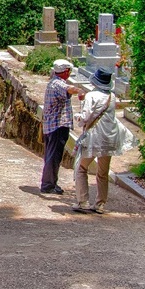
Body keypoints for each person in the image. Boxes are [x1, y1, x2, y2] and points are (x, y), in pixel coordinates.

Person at [71, 68, 135, 214]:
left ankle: (83, 201)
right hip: (109, 137)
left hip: (94, 137)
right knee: (103, 172)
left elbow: (86, 117)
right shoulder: (111, 97)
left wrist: (78, 117)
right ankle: (100, 204)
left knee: (81, 168)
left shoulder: (91, 95)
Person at [40, 59, 84, 194]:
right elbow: (69, 89)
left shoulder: (53, 82)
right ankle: (48, 185)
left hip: (51, 125)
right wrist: (79, 91)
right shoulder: (58, 84)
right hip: (57, 126)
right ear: (65, 72)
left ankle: (51, 183)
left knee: (52, 155)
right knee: (54, 156)